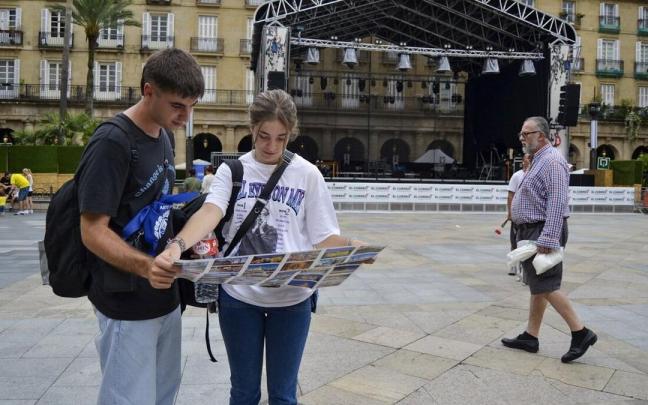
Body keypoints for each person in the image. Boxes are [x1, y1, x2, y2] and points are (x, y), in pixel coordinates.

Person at [155, 89, 364, 405]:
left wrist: (351, 246)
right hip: (240, 297)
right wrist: (177, 244)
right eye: (264, 136)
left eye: (281, 138)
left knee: (283, 395)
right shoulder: (233, 171)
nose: (271, 146)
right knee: (243, 392)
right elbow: (211, 211)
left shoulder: (307, 174)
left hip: (293, 299)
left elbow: (323, 236)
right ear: (252, 129)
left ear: (290, 134)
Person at [77, 48, 204, 404]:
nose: (186, 115)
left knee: (162, 396)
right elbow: (92, 231)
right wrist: (146, 266)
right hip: (125, 299)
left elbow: (157, 208)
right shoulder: (112, 141)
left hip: (164, 296)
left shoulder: (164, 137)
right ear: (148, 91)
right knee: (128, 398)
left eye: (191, 106)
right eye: (178, 105)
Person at [502, 116, 597, 364]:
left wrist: (549, 236)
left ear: (541, 135)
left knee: (547, 285)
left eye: (526, 133)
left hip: (542, 230)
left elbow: (557, 200)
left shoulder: (552, 161)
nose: (522, 138)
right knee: (538, 285)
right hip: (533, 230)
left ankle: (581, 332)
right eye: (521, 134)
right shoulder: (538, 160)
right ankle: (530, 336)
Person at [506, 153, 531, 279]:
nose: (530, 159)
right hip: (517, 215)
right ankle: (513, 265)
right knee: (514, 241)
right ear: (523, 161)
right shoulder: (517, 176)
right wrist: (510, 213)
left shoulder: (534, 175)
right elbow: (510, 195)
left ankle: (523, 270)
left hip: (528, 216)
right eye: (528, 157)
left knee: (525, 243)